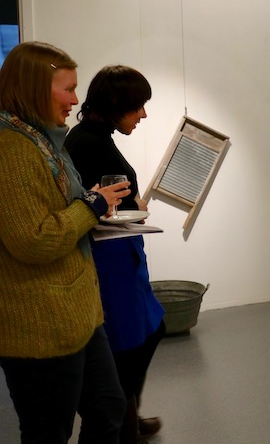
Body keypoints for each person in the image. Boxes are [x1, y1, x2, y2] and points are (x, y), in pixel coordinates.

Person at [0, 41, 132, 444]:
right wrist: (91, 206)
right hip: (40, 325)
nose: (75, 101)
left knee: (108, 409)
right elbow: (33, 240)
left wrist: (91, 206)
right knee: (48, 431)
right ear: (34, 89)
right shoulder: (11, 149)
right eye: (68, 89)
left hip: (77, 315)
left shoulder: (42, 140)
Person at [64, 65, 166, 444]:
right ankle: (125, 424)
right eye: (138, 106)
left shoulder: (94, 137)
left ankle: (128, 416)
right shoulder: (87, 142)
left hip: (120, 252)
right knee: (129, 342)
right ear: (116, 103)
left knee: (145, 332)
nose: (143, 114)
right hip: (109, 258)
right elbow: (95, 204)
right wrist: (133, 206)